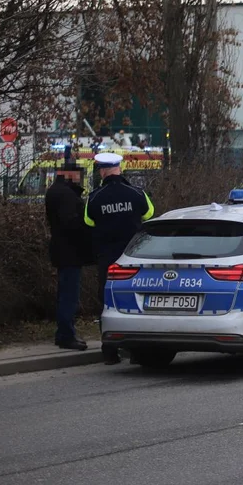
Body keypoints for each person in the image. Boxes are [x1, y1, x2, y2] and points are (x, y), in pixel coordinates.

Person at [85, 152, 156, 364]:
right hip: (133, 257)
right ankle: (136, 350)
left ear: (103, 171)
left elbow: (88, 222)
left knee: (108, 302)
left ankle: (109, 351)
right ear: (119, 168)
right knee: (136, 300)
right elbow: (150, 215)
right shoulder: (137, 193)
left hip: (107, 259)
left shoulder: (95, 197)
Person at [44, 165, 94, 350]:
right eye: (77, 174)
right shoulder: (65, 195)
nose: (80, 179)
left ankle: (64, 332)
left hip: (62, 250)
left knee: (65, 293)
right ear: (69, 174)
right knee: (68, 295)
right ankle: (66, 334)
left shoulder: (56, 191)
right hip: (70, 252)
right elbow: (72, 224)